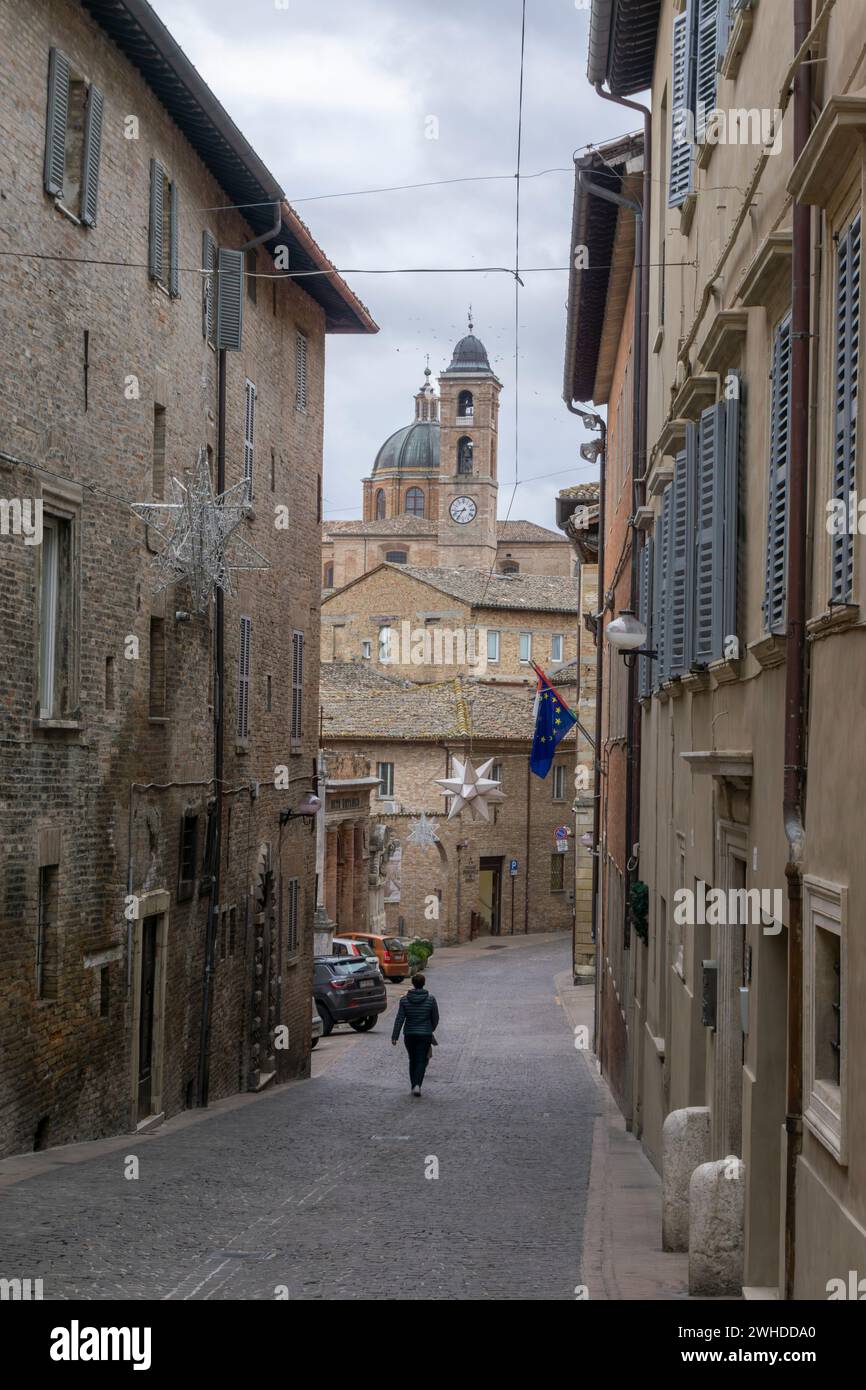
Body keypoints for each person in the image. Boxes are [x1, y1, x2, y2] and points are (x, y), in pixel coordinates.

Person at [391, 972, 439, 1096]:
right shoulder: (430, 999)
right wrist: (430, 1029)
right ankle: (417, 1085)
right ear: (423, 984)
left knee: (412, 1059)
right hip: (425, 1034)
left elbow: (400, 1018)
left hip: (410, 1034)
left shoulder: (404, 1000)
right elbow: (435, 1017)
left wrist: (395, 1036)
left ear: (412, 983)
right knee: (422, 1060)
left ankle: (414, 1085)